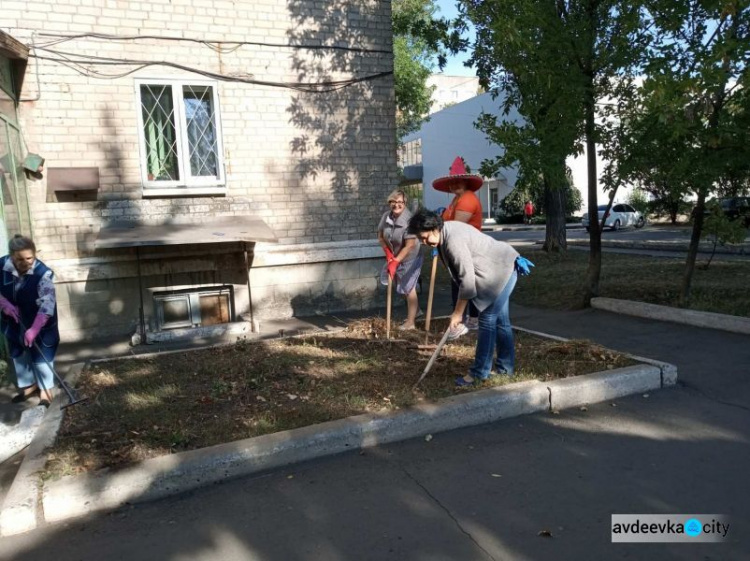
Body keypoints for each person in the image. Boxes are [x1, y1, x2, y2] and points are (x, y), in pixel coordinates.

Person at [407, 209, 534, 387]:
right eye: (421, 239)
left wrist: (458, 313)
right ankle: (505, 368)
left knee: (488, 320)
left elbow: (467, 281)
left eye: (425, 237)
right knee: (501, 321)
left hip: (501, 270)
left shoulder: (453, 241)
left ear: (435, 227)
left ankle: (479, 373)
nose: (424, 242)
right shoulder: (444, 234)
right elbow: (462, 277)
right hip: (496, 268)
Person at [0, 235, 60, 407]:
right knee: (17, 353)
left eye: (29, 258)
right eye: (19, 259)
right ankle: (29, 386)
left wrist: (34, 328)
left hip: (40, 320)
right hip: (13, 319)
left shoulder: (44, 273)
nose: (25, 263)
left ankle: (46, 392)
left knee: (42, 356)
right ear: (11, 255)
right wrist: (4, 304)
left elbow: (47, 305)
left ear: (35, 254)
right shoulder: (2, 265)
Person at [433, 156, 483, 329]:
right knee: (457, 281)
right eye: (453, 183)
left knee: (467, 282)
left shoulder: (468, 199)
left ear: (466, 182)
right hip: (455, 246)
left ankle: (472, 318)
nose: (455, 185)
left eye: (459, 182)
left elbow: (456, 226)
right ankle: (460, 317)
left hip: (467, 247)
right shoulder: (456, 200)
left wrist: (440, 231)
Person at [377, 189, 423, 330]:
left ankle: (410, 323)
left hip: (411, 257)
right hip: (395, 255)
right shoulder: (386, 217)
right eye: (394, 202)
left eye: (400, 202)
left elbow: (409, 245)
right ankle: (417, 311)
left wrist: (396, 261)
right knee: (400, 287)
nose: (397, 205)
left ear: (405, 203)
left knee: (408, 287)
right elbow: (380, 236)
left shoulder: (409, 220)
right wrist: (388, 254)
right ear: (389, 202)